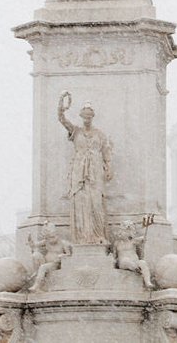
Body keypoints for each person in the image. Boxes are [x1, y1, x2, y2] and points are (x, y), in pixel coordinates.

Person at [58, 91, 112, 244]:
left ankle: (97, 235)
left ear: (92, 117)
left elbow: (106, 151)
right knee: (81, 201)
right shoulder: (76, 131)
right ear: (81, 117)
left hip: (96, 169)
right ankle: (83, 236)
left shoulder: (100, 134)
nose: (87, 119)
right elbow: (62, 120)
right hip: (79, 169)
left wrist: (109, 167)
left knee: (96, 202)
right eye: (85, 116)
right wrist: (61, 105)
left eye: (89, 116)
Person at [28, 221, 72, 292]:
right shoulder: (46, 241)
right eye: (49, 238)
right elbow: (34, 245)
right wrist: (30, 240)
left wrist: (62, 255)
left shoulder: (63, 243)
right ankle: (37, 272)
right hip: (45, 261)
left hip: (55, 264)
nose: (51, 239)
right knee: (36, 254)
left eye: (53, 237)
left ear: (57, 235)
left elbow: (69, 255)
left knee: (43, 267)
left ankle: (37, 285)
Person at [113, 220, 154, 289]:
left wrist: (143, 239)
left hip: (134, 260)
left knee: (142, 262)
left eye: (128, 231)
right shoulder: (117, 243)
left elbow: (142, 240)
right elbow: (114, 255)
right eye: (125, 231)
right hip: (123, 262)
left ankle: (148, 282)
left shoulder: (133, 241)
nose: (126, 233)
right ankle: (137, 269)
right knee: (126, 261)